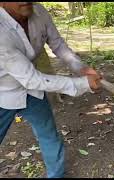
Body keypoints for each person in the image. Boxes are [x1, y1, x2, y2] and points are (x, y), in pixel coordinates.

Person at [0, 2, 102, 178]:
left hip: (32, 91)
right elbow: (32, 79)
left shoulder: (38, 10)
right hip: (3, 92)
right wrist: (83, 84)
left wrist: (80, 68)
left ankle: (56, 175)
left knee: (49, 135)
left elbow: (58, 44)